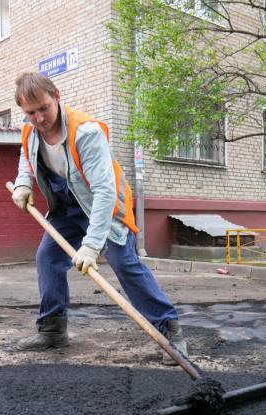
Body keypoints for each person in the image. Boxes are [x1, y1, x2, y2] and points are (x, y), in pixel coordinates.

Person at [10, 72, 188, 365]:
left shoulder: (85, 132)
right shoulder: (30, 131)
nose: (39, 118)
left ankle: (169, 331)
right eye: (31, 113)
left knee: (123, 262)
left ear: (56, 97)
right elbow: (25, 156)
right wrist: (23, 183)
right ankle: (52, 329)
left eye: (43, 108)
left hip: (104, 205)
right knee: (47, 257)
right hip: (66, 207)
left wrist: (92, 246)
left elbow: (105, 191)